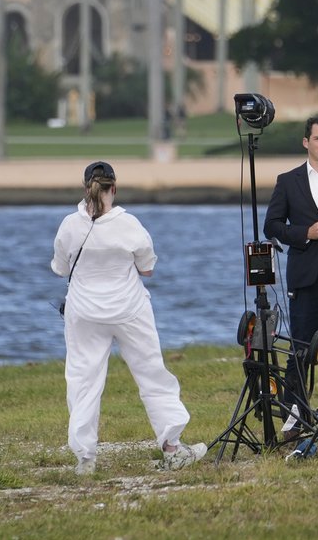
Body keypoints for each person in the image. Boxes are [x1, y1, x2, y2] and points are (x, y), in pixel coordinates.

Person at [51, 160, 205, 475]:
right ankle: (172, 447)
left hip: (83, 313)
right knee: (152, 374)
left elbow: (61, 268)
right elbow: (147, 268)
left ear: (85, 189)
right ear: (114, 189)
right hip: (129, 309)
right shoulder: (130, 224)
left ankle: (85, 458)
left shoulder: (69, 224)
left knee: (83, 380)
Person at [262, 114, 318, 413]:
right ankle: (294, 414)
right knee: (299, 350)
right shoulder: (288, 181)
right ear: (306, 142)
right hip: (305, 278)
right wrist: (306, 233)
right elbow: (271, 226)